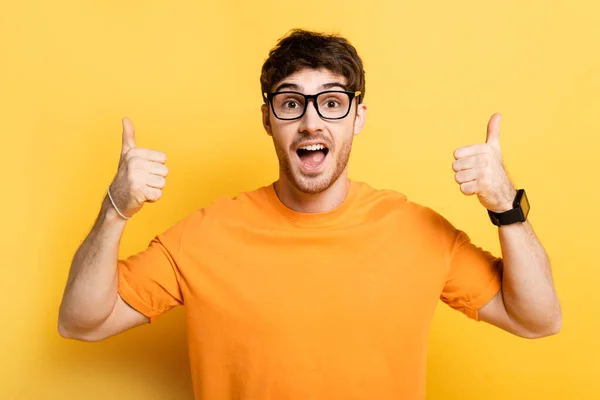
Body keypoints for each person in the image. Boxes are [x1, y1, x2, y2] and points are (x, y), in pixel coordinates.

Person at [58, 29, 561, 399]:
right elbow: (82, 322)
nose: (311, 121)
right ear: (268, 119)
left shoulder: (418, 231)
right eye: (291, 103)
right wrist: (114, 209)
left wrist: (505, 207)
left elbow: (537, 319)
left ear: (358, 116)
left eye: (332, 103)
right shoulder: (204, 236)